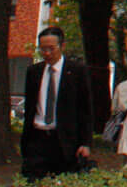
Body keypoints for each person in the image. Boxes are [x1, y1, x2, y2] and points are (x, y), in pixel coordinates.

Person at [20, 26, 94, 180]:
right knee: (31, 180)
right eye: (43, 49)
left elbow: (85, 109)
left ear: (62, 46)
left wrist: (85, 143)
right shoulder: (34, 72)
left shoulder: (77, 71)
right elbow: (30, 106)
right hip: (37, 139)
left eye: (51, 49)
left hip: (64, 141)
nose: (47, 53)